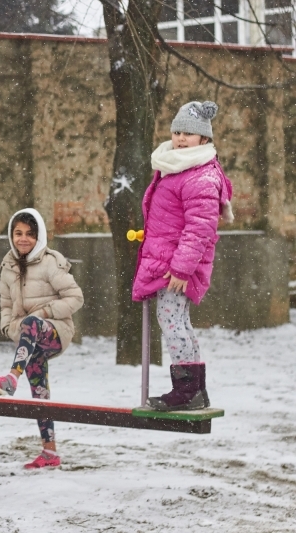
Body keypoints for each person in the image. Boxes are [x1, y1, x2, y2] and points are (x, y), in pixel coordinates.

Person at [133, 101, 233, 412]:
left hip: (177, 266)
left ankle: (187, 390)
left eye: (188, 133)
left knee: (172, 321)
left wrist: (180, 269)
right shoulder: (177, 166)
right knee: (178, 322)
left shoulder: (200, 176)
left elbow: (199, 230)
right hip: (167, 261)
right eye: (177, 131)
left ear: (203, 139)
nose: (179, 138)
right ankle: (193, 390)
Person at [0, 208, 84, 469]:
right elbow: (6, 307)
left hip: (56, 331)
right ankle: (49, 452)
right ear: (11, 235)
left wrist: (45, 312)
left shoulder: (51, 262)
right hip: (28, 339)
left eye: (30, 234)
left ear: (38, 236)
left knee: (32, 322)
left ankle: (11, 378)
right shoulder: (7, 267)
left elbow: (76, 298)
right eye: (18, 233)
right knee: (39, 392)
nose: (23, 239)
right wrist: (9, 329)